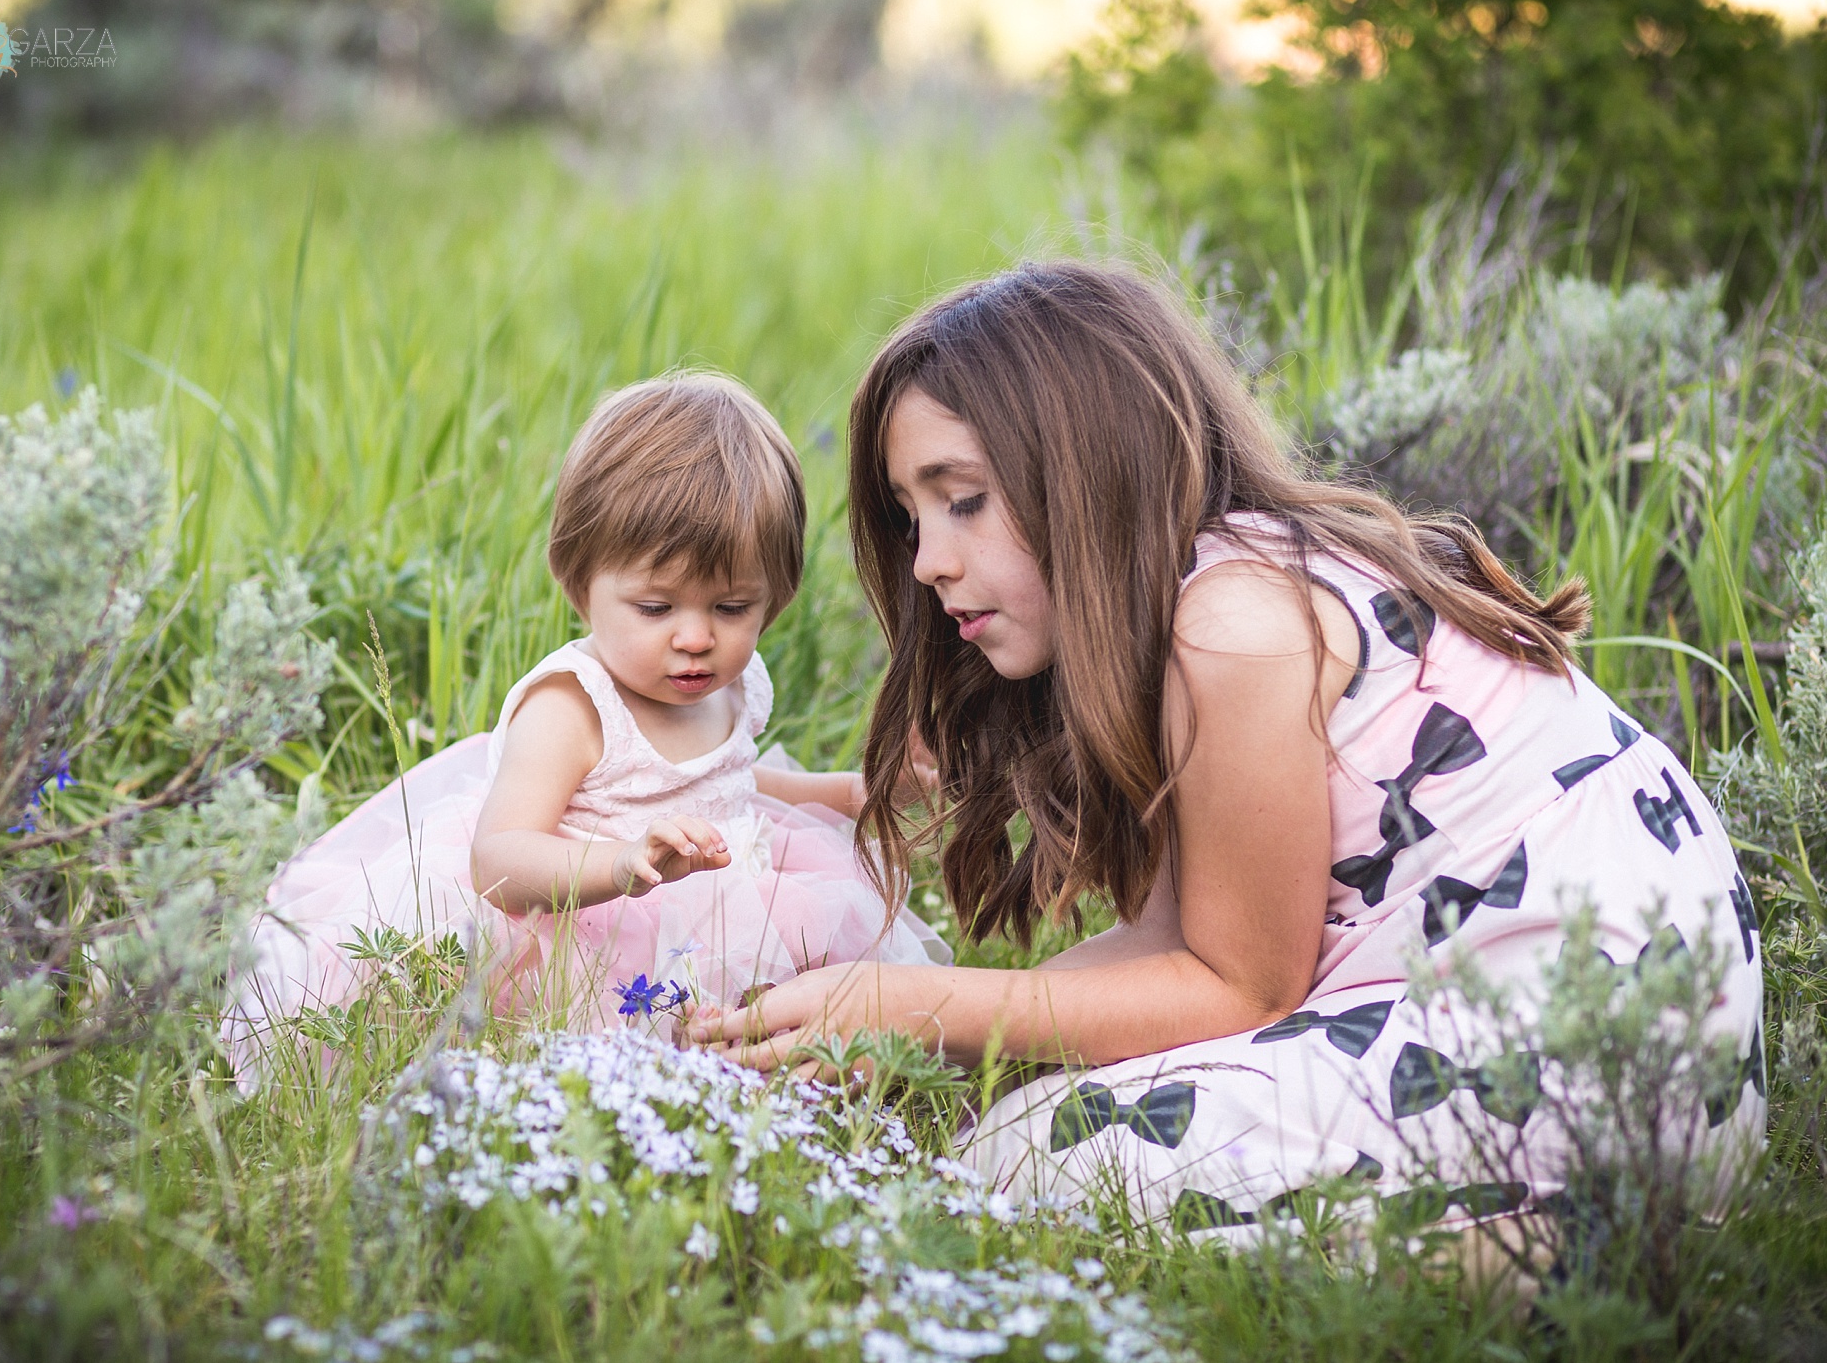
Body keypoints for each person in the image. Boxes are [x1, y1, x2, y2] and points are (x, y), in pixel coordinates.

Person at [689, 261, 1766, 1231]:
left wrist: (904, 1006)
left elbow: (1239, 989)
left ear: (1088, 469)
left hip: (1580, 1051)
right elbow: (1169, 953)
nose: (926, 560)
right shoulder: (1207, 604)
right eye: (911, 517)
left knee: (1032, 1163)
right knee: (1003, 1128)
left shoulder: (1235, 623)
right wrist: (907, 1048)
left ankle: (1522, 1244)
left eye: (962, 501)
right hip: (1580, 1037)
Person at [223, 372, 949, 1091]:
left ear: (776, 597)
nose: (695, 638)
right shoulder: (573, 709)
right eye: (656, 608)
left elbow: (734, 783)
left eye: (731, 607)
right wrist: (621, 861)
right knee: (564, 1061)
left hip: (720, 908)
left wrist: (856, 793)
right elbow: (499, 857)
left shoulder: (736, 682)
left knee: (772, 1042)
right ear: (580, 586)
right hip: (578, 923)